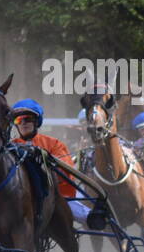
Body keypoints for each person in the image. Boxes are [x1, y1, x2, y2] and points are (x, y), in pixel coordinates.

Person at [10, 96, 90, 225]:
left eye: (28, 119)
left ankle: (92, 218)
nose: (23, 123)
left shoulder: (54, 144)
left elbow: (65, 172)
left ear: (36, 121)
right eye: (19, 120)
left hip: (55, 197)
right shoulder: (10, 147)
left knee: (87, 217)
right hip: (19, 198)